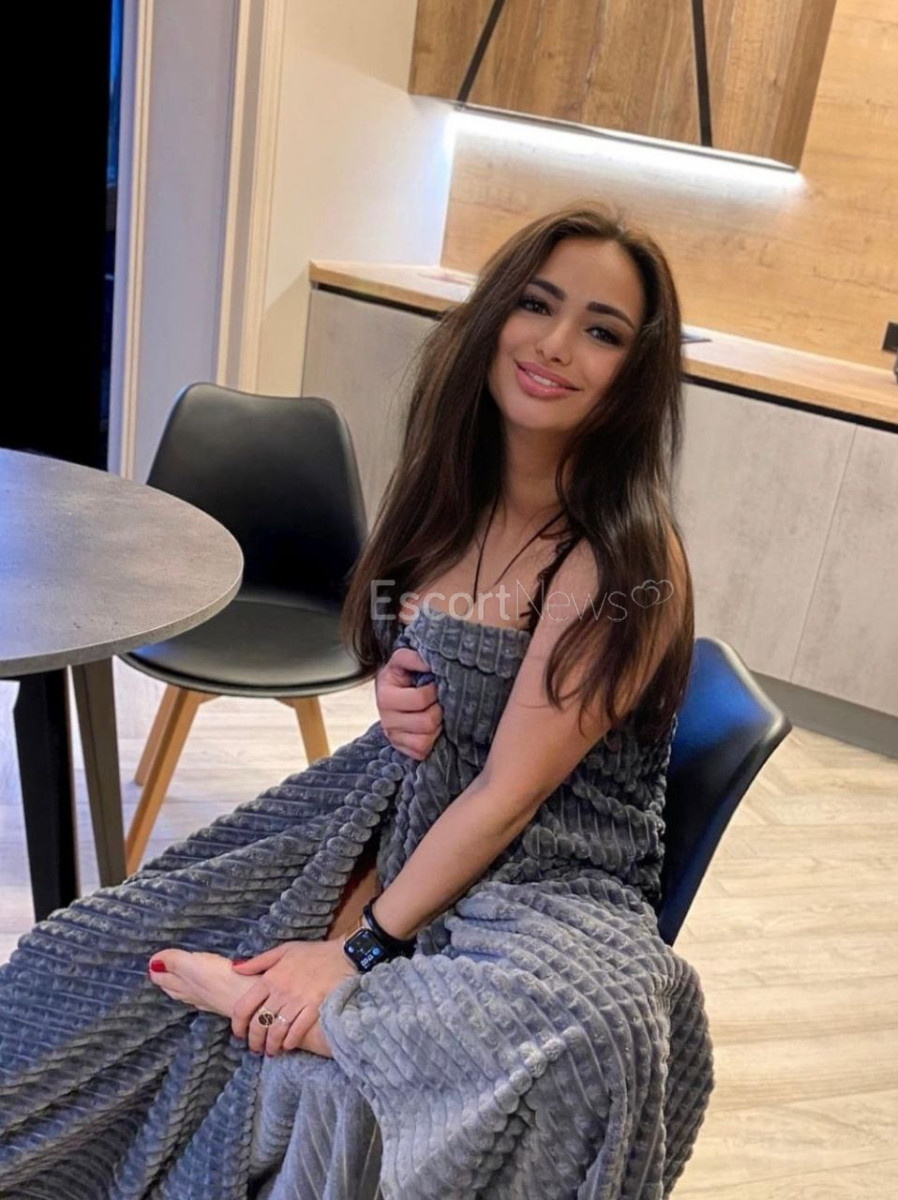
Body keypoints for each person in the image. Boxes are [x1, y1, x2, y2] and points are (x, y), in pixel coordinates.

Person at [0, 203, 714, 1199]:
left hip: (549, 870)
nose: (556, 345)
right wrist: (401, 682)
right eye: (536, 305)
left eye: (601, 330)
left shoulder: (621, 556)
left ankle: (297, 1011)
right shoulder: (453, 491)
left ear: (637, 370)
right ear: (493, 317)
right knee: (76, 958)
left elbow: (509, 793)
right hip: (402, 806)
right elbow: (406, 628)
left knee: (577, 1035)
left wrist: (359, 950)